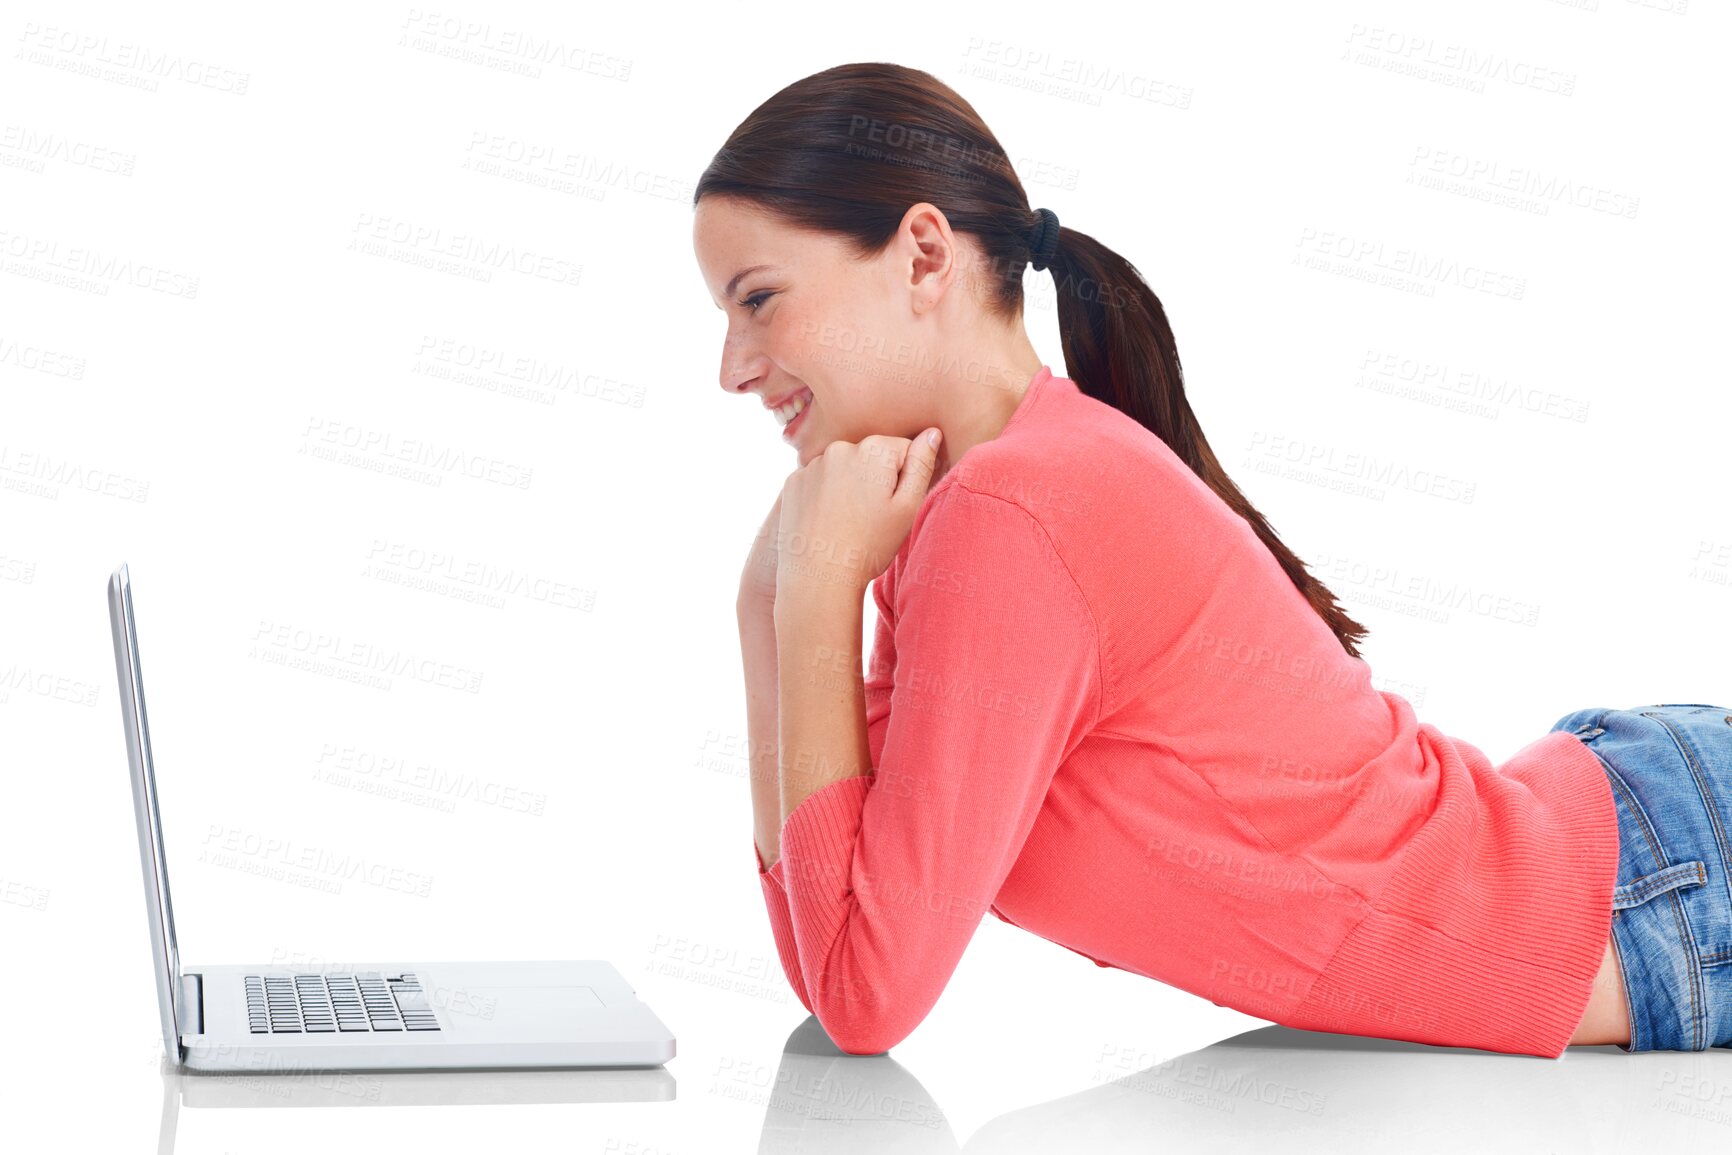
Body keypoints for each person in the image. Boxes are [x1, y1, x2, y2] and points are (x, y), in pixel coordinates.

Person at [691, 61, 1732, 1058]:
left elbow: (863, 993)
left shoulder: (1011, 514)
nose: (734, 368)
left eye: (758, 299)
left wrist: (812, 593)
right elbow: (834, 953)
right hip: (1649, 854)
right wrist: (769, 604)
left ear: (924, 255)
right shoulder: (960, 519)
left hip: (1667, 883)